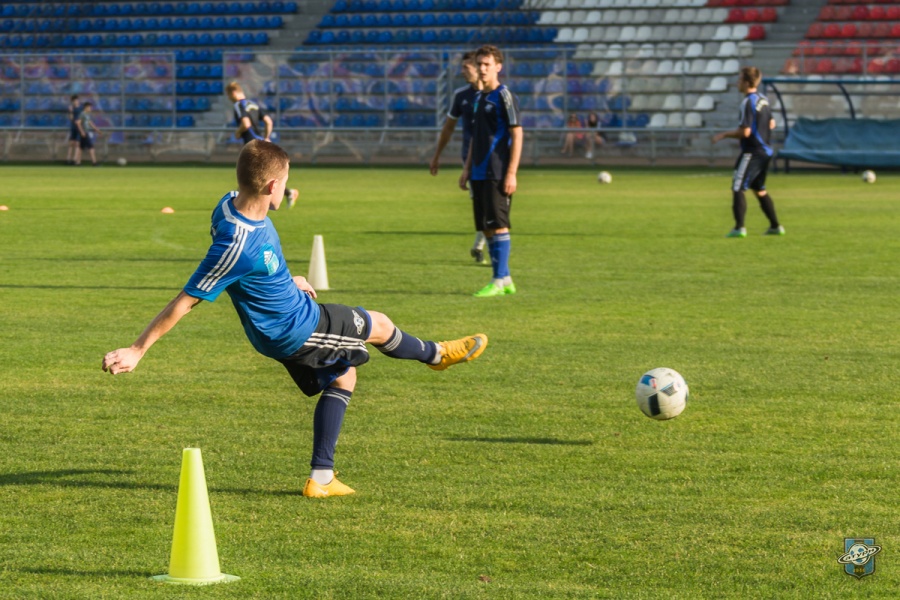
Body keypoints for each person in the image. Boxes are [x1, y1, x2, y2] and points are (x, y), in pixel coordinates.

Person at [102, 140, 488, 498]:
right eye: (286, 181)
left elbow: (255, 272)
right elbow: (186, 301)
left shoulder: (228, 204)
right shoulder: (237, 244)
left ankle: (322, 478)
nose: (287, 188)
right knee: (380, 325)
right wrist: (137, 349)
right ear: (272, 186)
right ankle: (437, 355)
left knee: (343, 376)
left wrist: (289, 281)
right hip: (295, 327)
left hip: (287, 314)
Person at [459, 45, 523, 297]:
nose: (482, 69)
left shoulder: (504, 96)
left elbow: (517, 134)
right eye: (479, 64)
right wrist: (466, 168)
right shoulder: (478, 98)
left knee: (499, 225)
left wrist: (511, 173)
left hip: (497, 171)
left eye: (487, 64)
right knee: (486, 227)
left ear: (498, 67)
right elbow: (476, 137)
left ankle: (497, 280)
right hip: (478, 172)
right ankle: (505, 279)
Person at [429, 51, 488, 264]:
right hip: (470, 159)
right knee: (481, 203)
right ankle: (482, 247)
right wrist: (437, 155)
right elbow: (448, 128)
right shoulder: (461, 96)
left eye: (466, 67)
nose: (462, 71)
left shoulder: (495, 94)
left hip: (494, 158)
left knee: (492, 205)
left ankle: (481, 246)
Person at [712, 66, 785, 238]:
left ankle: (739, 228)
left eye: (739, 80)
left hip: (753, 151)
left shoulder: (747, 102)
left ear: (746, 82)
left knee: (738, 187)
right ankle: (775, 226)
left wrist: (724, 135)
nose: (737, 83)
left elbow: (745, 132)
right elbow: (772, 123)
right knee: (759, 189)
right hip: (766, 150)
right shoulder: (763, 99)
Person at [226, 81, 299, 208]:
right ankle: (289, 193)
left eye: (229, 95)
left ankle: (240, 204)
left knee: (249, 173)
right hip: (260, 141)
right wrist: (267, 137)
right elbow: (268, 121)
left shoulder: (238, 105)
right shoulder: (253, 104)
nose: (229, 99)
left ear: (233, 93)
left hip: (251, 144)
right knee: (262, 174)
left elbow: (246, 124)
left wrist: (238, 133)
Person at [76, 102, 102, 166]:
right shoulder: (82, 114)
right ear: (86, 107)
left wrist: (97, 130)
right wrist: (82, 132)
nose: (91, 108)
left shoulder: (87, 115)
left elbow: (91, 123)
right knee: (91, 147)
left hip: (85, 132)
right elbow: (78, 123)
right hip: (85, 132)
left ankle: (78, 162)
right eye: (90, 107)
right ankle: (94, 162)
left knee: (81, 148)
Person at [66, 95, 83, 165]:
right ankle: (68, 159)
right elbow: (71, 118)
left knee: (77, 144)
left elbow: (83, 117)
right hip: (73, 127)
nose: (76, 102)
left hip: (79, 127)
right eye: (74, 101)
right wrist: (71, 111)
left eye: (77, 100)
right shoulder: (72, 108)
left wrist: (80, 121)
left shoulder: (81, 108)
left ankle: (75, 159)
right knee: (71, 143)